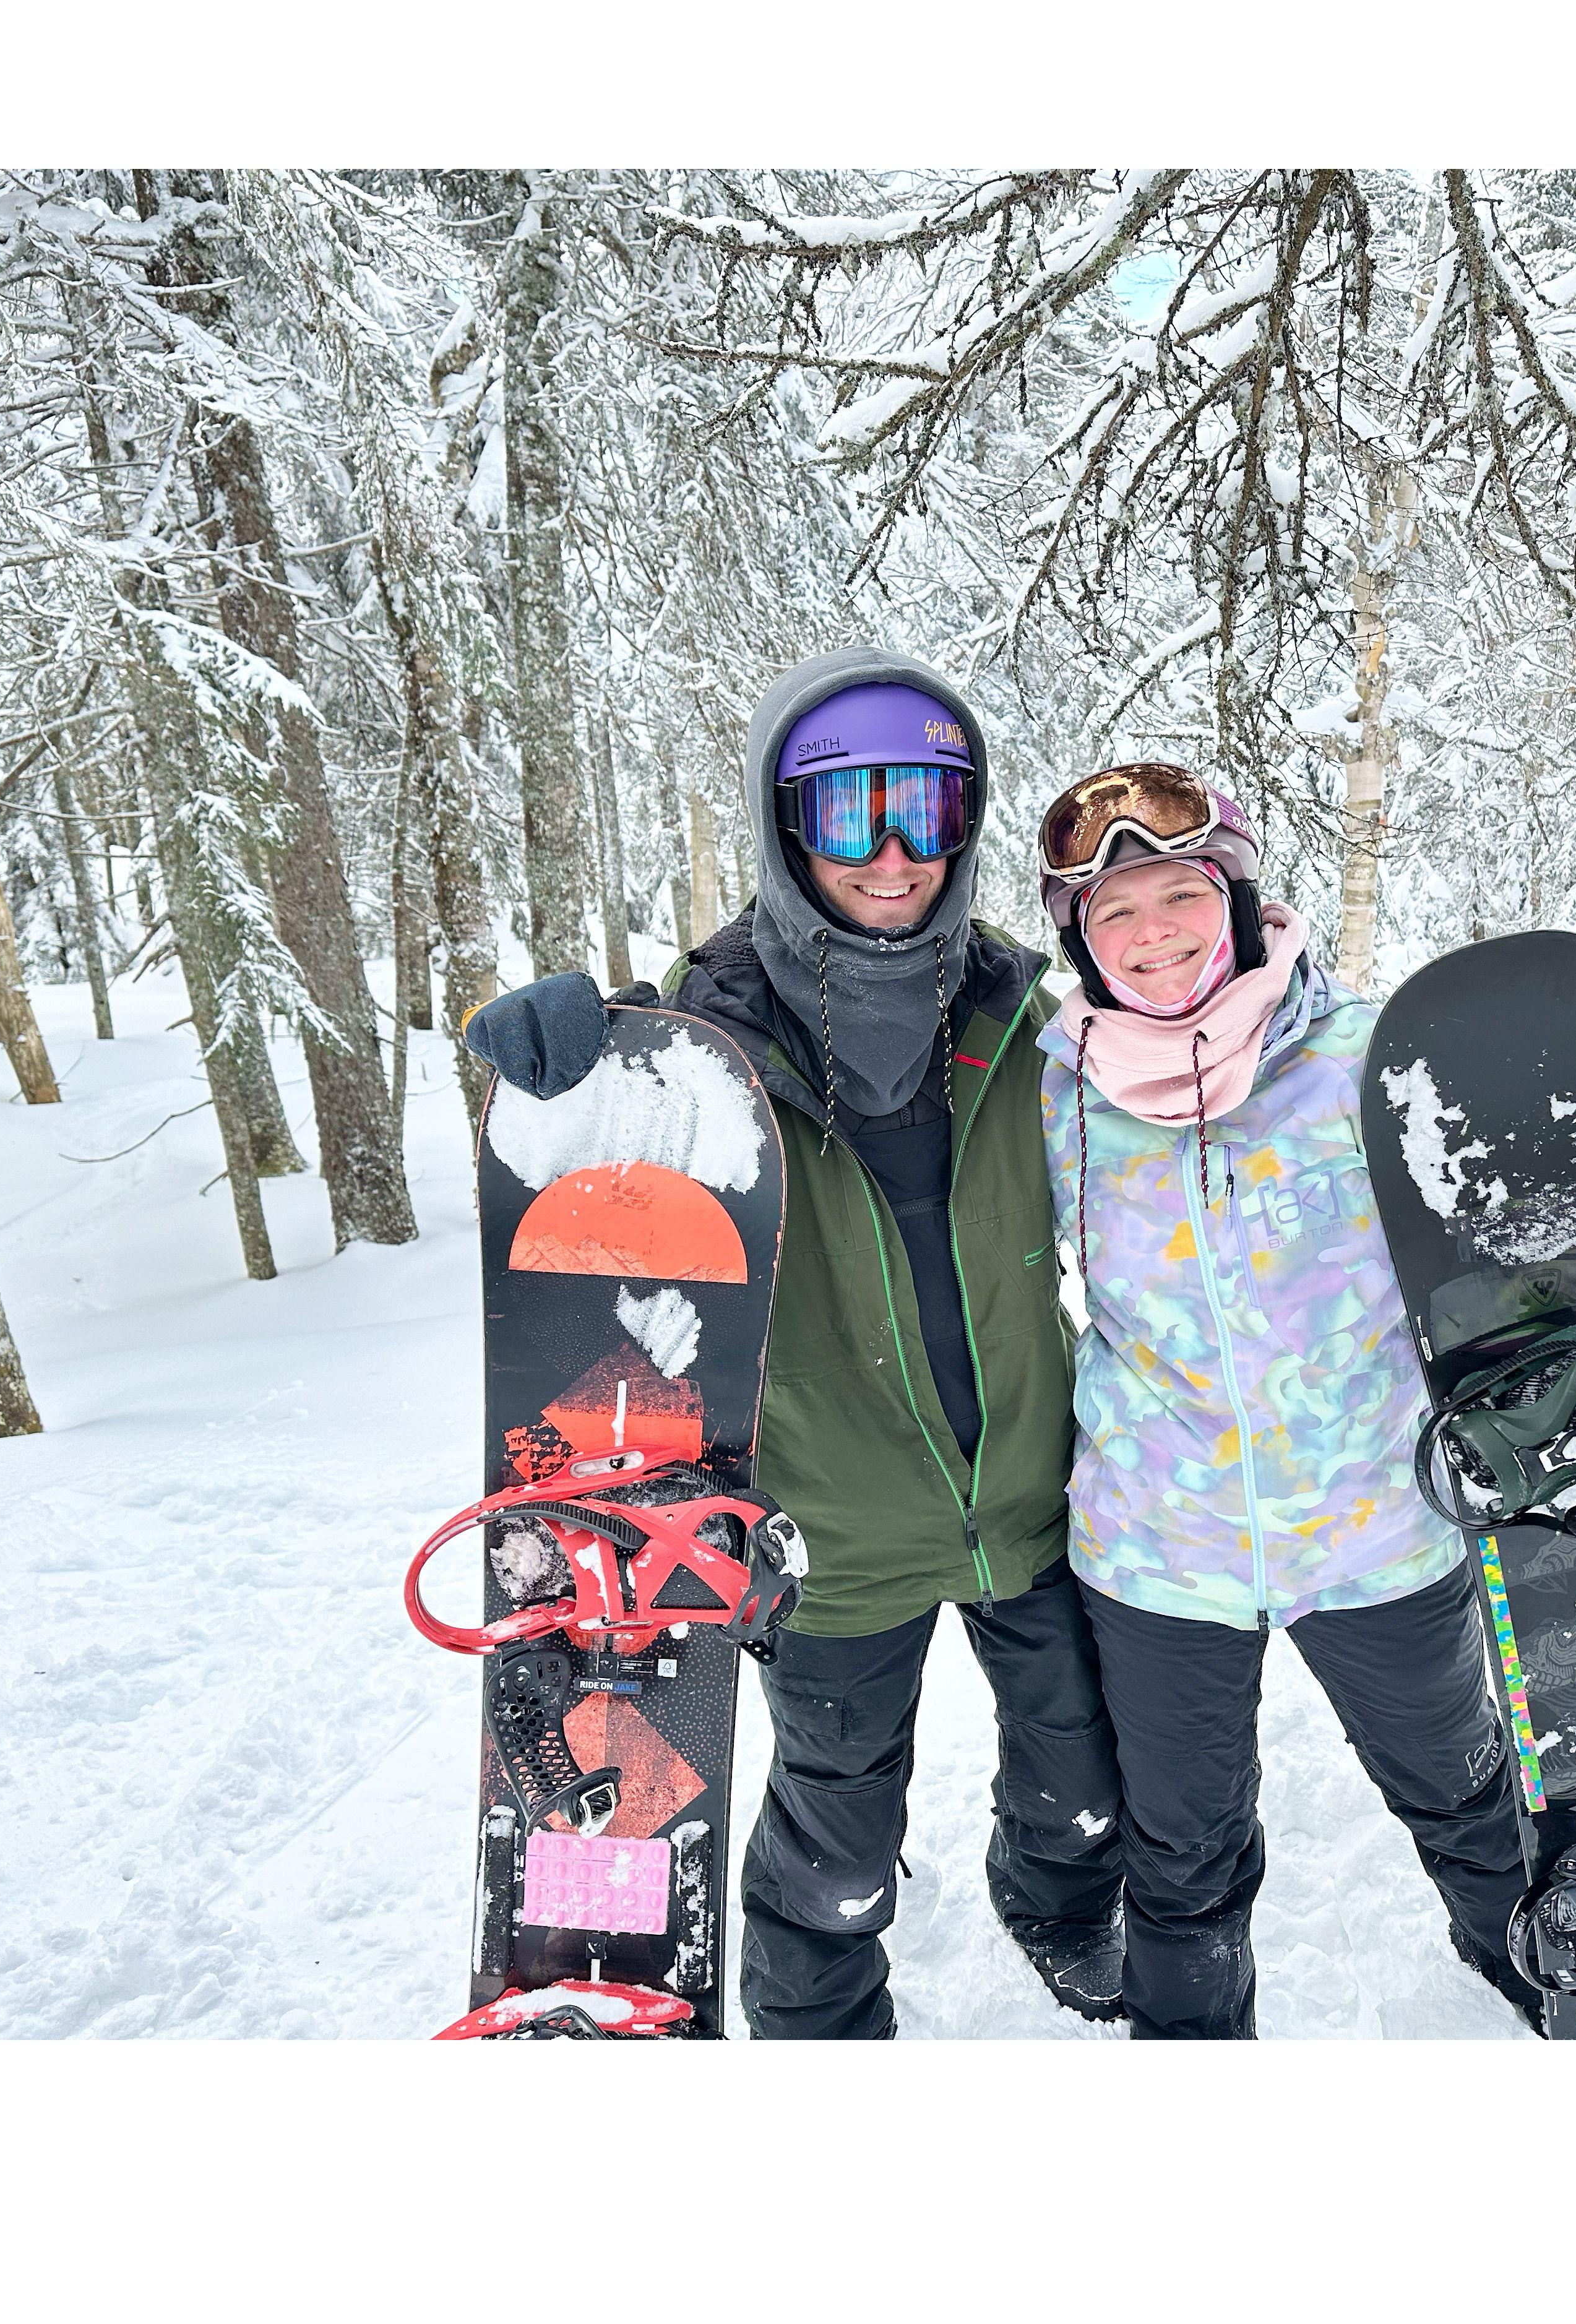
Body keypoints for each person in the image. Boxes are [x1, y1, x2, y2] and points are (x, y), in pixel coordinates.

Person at [1033, 761, 1576, 2040]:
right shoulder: (1052, 1092)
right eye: (1114, 913)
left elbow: (1551, 1260)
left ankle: (1548, 1997)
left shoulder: (1364, 1063)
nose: (1153, 934)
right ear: (1079, 940)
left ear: (1231, 897)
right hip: (1157, 1552)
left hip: (1379, 1533)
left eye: (1177, 893)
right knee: (1181, 1861)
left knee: (1468, 1803)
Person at [467, 648, 1122, 2039]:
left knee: (1084, 1778)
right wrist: (571, 1064)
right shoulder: (704, 1041)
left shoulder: (1025, 1015)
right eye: (846, 816)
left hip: (1038, 1500)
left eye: (926, 811)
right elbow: (613, 1172)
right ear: (784, 826)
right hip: (833, 1532)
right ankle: (822, 2030)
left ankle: (1059, 1905)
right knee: (836, 1833)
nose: (891, 855)